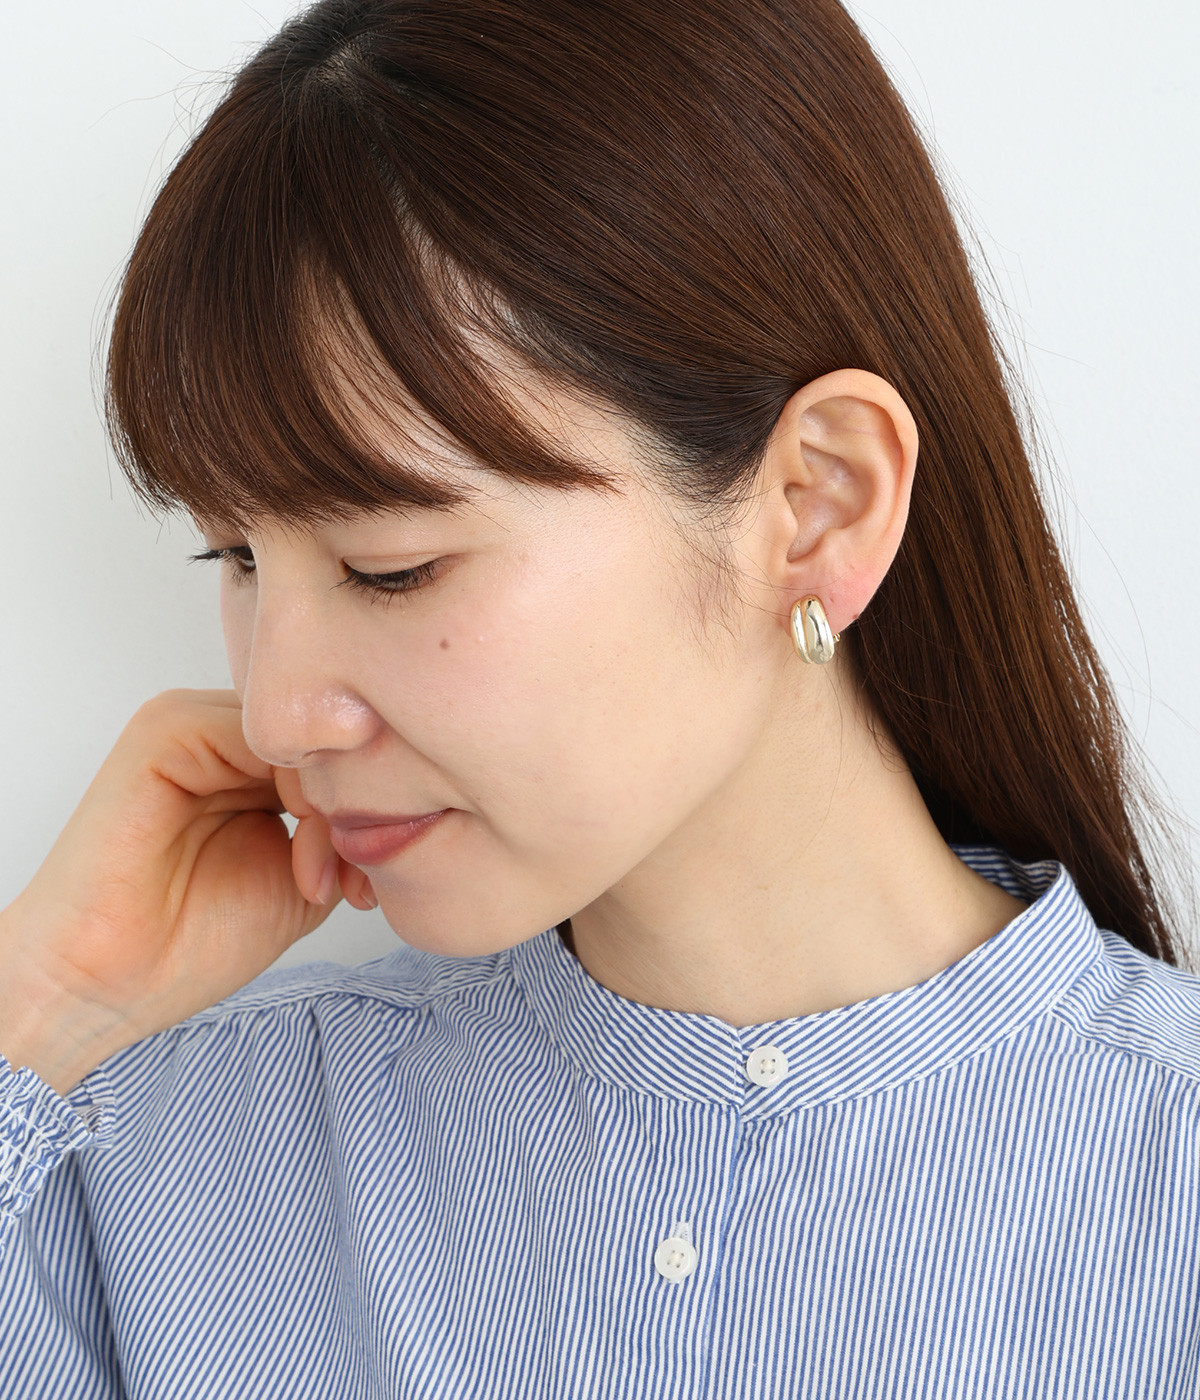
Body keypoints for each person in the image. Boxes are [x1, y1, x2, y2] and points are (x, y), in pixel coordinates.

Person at [1, 0, 1197, 1394]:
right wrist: (39, 1010)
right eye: (239, 559)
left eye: (391, 567)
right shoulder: (144, 1174)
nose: (276, 715)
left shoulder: (1162, 1193)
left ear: (815, 503)